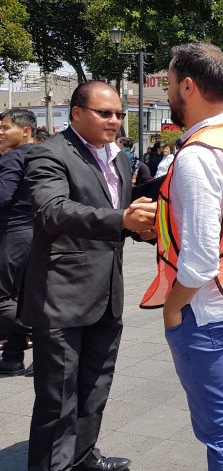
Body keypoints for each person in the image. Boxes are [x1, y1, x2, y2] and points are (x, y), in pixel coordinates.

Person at [139, 43, 223, 469]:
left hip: (204, 306)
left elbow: (198, 259)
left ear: (189, 86)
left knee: (220, 430)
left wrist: (172, 310)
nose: (168, 93)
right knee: (222, 422)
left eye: (172, 83)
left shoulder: (197, 156)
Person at [20, 81, 156, 471]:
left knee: (95, 386)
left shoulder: (121, 158)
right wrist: (121, 220)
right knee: (58, 396)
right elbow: (52, 211)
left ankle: (82, 456)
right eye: (105, 113)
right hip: (62, 294)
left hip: (107, 291)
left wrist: (140, 228)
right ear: (76, 113)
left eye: (118, 114)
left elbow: (119, 216)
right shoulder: (48, 154)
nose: (114, 120)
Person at [0, 108, 37, 376]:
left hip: (13, 234)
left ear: (25, 131)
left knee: (2, 297)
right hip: (36, 233)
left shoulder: (13, 157)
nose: (0, 133)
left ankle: (48, 335)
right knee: (20, 296)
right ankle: (12, 357)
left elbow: (1, 195)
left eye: (5, 128)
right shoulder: (43, 154)